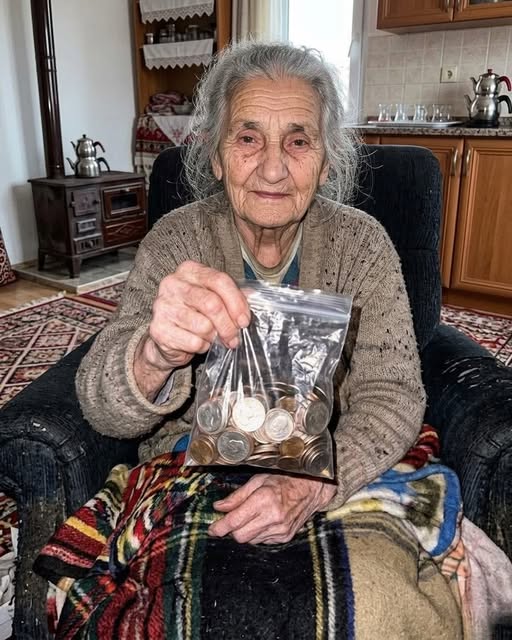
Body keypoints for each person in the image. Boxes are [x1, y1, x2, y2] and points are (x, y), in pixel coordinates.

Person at [41, 41, 463, 638]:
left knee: (374, 606)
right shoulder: (175, 241)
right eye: (247, 138)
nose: (272, 168)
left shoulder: (361, 244)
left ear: (326, 160)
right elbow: (102, 407)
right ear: (216, 155)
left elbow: (392, 394)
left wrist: (312, 484)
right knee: (190, 611)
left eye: (298, 141)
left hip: (326, 465)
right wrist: (154, 355)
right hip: (190, 467)